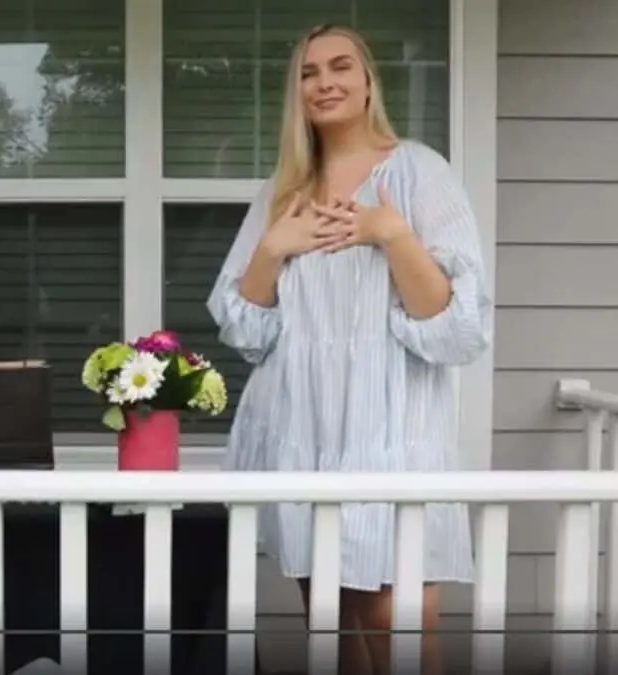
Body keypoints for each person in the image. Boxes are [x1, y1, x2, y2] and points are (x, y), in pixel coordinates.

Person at [207, 25, 492, 675]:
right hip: (302, 427)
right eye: (309, 72)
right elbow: (245, 329)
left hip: (394, 428)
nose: (325, 82)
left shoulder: (419, 170)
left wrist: (389, 233)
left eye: (341, 67)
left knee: (398, 625)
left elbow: (455, 328)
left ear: (368, 84)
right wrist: (273, 248)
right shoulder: (285, 188)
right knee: (334, 625)